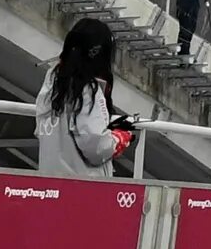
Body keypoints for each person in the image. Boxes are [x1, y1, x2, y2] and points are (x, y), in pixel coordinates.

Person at [36, 16, 136, 179]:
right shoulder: (87, 90)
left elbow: (40, 128)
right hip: (81, 190)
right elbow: (95, 147)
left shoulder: (52, 80)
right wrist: (119, 137)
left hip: (48, 184)